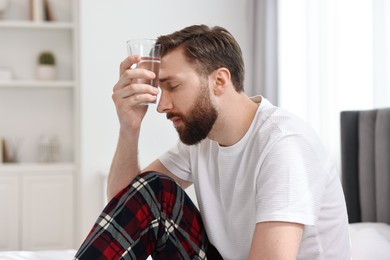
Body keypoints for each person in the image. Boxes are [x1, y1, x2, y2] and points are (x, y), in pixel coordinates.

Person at [75, 24, 351, 259]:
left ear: (219, 80)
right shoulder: (202, 138)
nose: (162, 105)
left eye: (173, 86)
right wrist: (129, 128)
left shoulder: (285, 145)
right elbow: (127, 207)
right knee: (155, 190)